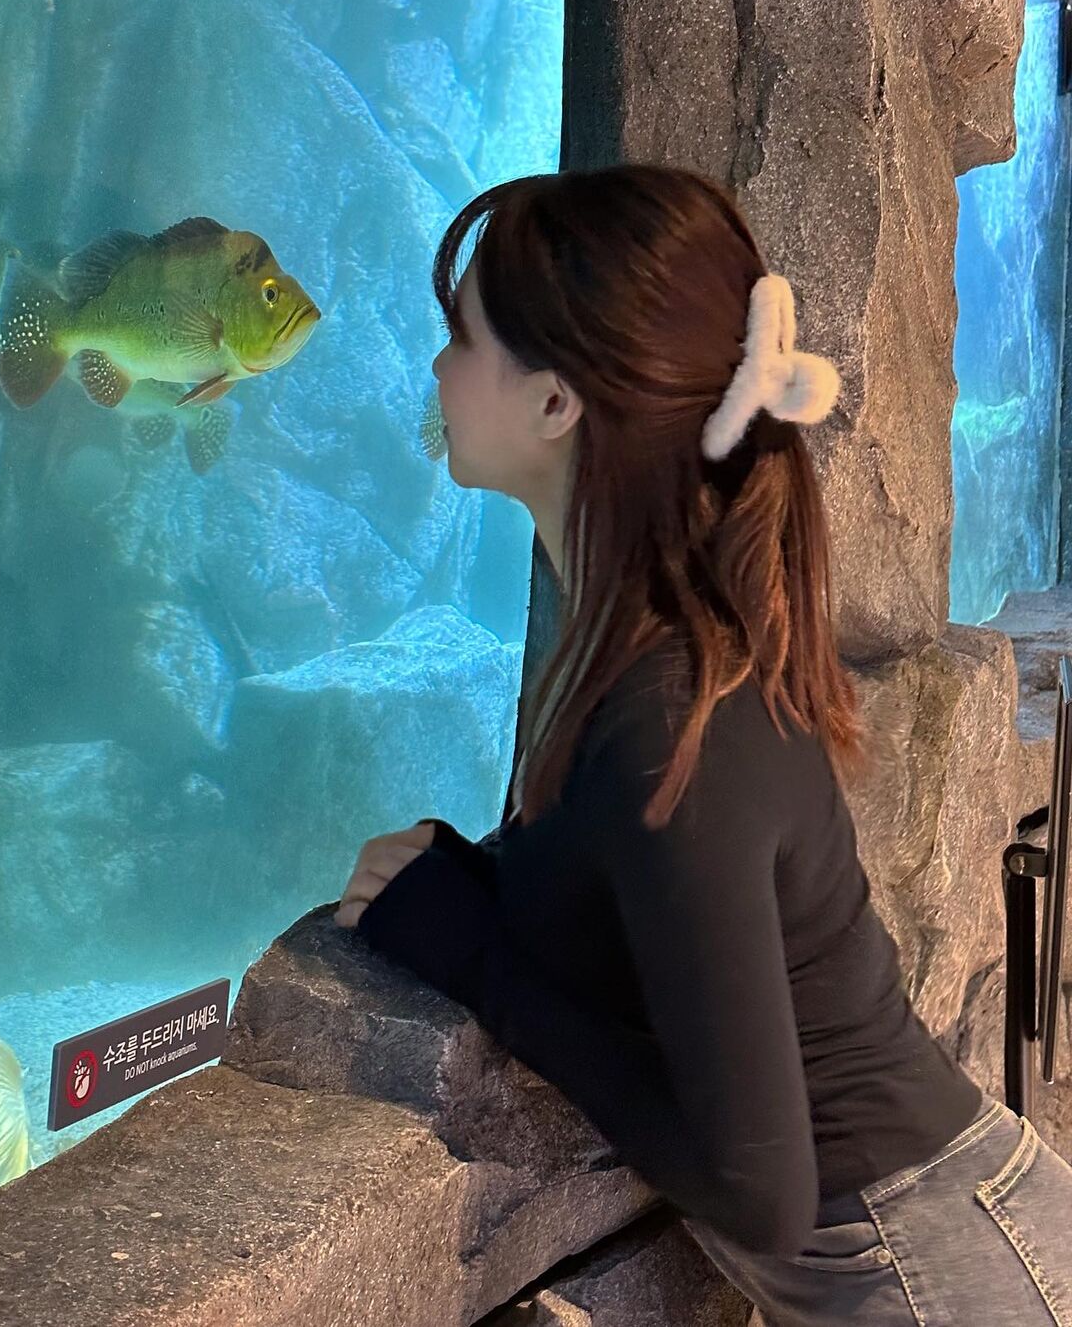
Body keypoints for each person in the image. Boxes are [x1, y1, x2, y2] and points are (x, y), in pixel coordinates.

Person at [333, 164, 1072, 1326]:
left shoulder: (671, 718)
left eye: (463, 336)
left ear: (556, 402)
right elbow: (646, 917)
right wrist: (475, 884)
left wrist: (473, 954)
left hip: (936, 1272)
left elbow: (759, 1187)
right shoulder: (658, 654)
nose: (437, 366)